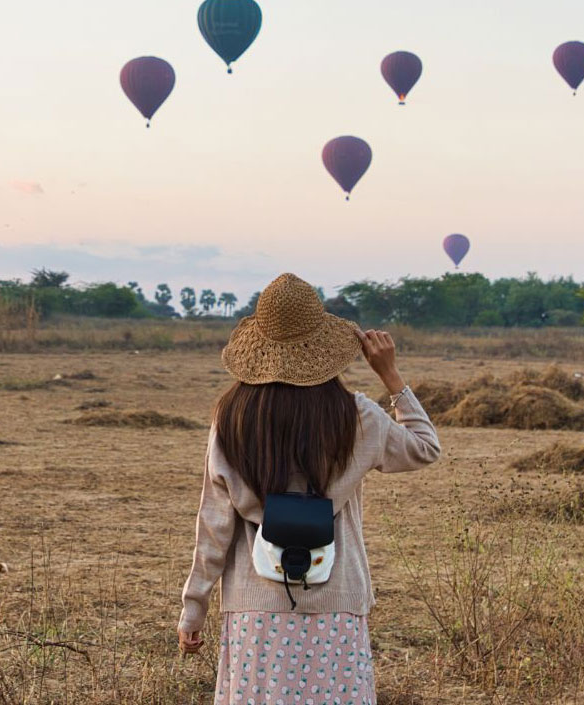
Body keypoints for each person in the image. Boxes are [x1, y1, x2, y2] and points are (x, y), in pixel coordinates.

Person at [177, 273, 441, 705]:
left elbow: (214, 523)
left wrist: (194, 606)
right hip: (336, 604)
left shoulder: (231, 419)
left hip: (253, 606)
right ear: (324, 349)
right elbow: (426, 448)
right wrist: (391, 377)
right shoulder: (358, 416)